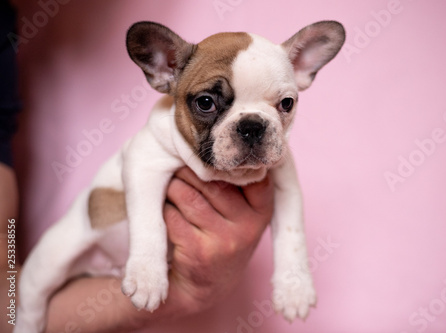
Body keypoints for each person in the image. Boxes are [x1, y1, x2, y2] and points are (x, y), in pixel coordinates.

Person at [0, 1, 274, 331]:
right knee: (42, 272)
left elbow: (3, 292)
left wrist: (186, 290)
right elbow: (9, 294)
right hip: (94, 237)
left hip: (144, 287)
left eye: (282, 103)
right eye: (206, 102)